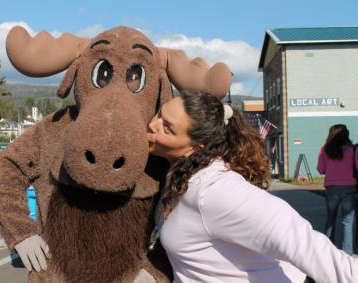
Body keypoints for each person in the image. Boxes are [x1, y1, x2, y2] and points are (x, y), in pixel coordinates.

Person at [147, 91, 358, 283]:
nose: (153, 124)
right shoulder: (179, 173)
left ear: (194, 147)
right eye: (159, 114)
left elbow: (302, 241)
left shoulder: (215, 190)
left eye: (167, 127)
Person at [317, 124, 358, 255]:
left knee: (330, 219)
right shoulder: (353, 150)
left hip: (332, 189)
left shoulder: (324, 150)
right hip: (349, 188)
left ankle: (327, 250)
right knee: (348, 221)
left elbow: (321, 169)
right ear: (346, 134)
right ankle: (347, 254)